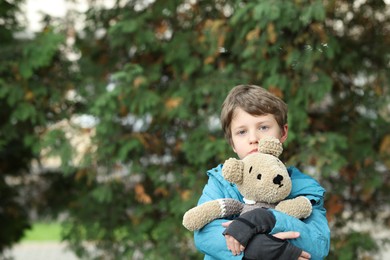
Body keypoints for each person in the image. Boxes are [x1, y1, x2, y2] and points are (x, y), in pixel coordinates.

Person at [193, 85, 330, 259]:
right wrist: (257, 248)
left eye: (263, 127)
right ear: (233, 144)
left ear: (283, 132)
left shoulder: (304, 187)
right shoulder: (220, 182)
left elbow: (319, 243)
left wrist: (268, 219)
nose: (253, 139)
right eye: (242, 132)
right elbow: (204, 235)